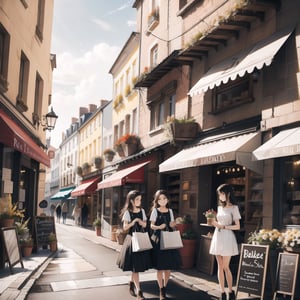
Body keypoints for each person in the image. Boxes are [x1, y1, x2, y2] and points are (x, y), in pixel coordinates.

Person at [117, 190, 152, 300]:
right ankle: (139, 292)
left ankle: (131, 283)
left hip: (140, 240)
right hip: (132, 241)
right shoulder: (128, 212)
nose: (139, 201)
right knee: (135, 268)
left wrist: (141, 222)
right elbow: (125, 228)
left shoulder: (142, 211)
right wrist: (134, 221)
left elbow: (146, 224)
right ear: (131, 201)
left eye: (140, 199)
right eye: (137, 199)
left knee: (135, 268)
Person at [209, 183, 241, 300]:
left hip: (227, 237)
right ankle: (222, 292)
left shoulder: (234, 208)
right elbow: (217, 223)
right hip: (218, 236)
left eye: (221, 194)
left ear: (227, 194)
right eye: (219, 194)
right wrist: (212, 221)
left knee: (226, 267)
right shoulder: (219, 208)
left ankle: (231, 291)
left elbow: (237, 226)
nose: (220, 196)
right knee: (220, 266)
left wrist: (223, 227)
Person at [149, 189, 181, 300]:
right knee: (160, 268)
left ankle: (164, 287)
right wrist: (159, 227)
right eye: (160, 199)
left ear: (167, 200)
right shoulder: (155, 211)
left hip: (168, 240)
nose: (162, 201)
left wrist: (173, 224)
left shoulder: (170, 211)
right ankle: (161, 290)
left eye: (164, 198)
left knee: (168, 268)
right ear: (157, 200)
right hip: (158, 240)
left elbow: (172, 225)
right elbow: (151, 226)